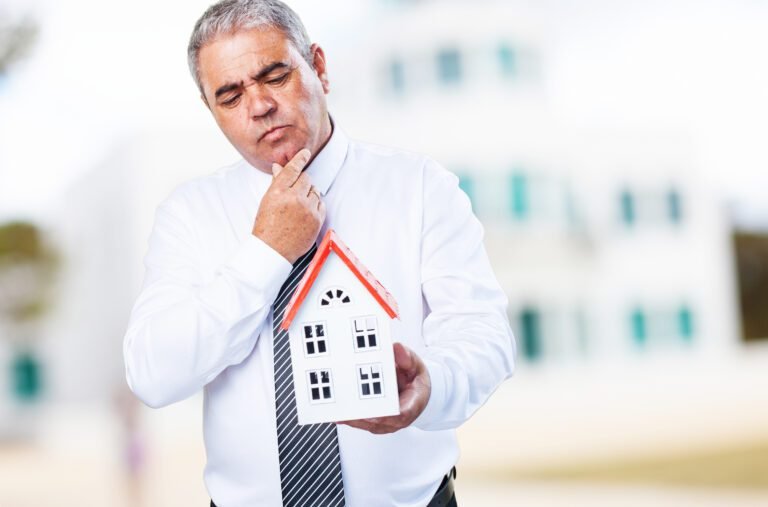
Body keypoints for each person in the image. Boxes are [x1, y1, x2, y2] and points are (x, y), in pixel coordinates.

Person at [122, 1, 516, 505]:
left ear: (320, 68)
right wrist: (268, 251)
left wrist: (433, 382)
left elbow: (484, 333)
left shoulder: (420, 188)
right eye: (230, 95)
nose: (259, 105)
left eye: (275, 76)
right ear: (212, 111)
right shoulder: (188, 216)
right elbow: (154, 375)